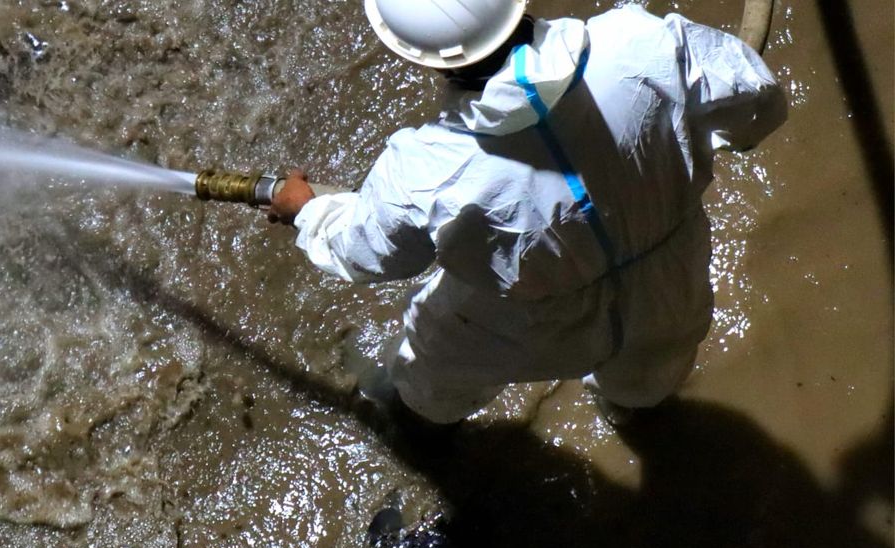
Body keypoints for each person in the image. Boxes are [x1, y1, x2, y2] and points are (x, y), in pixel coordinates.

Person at [267, 0, 787, 427]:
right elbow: (757, 101)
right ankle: (632, 414)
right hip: (669, 268)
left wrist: (309, 212)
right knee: (650, 374)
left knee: (432, 369)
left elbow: (368, 254)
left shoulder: (424, 166)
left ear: (421, 58)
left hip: (527, 316)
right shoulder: (642, 40)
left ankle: (414, 424)